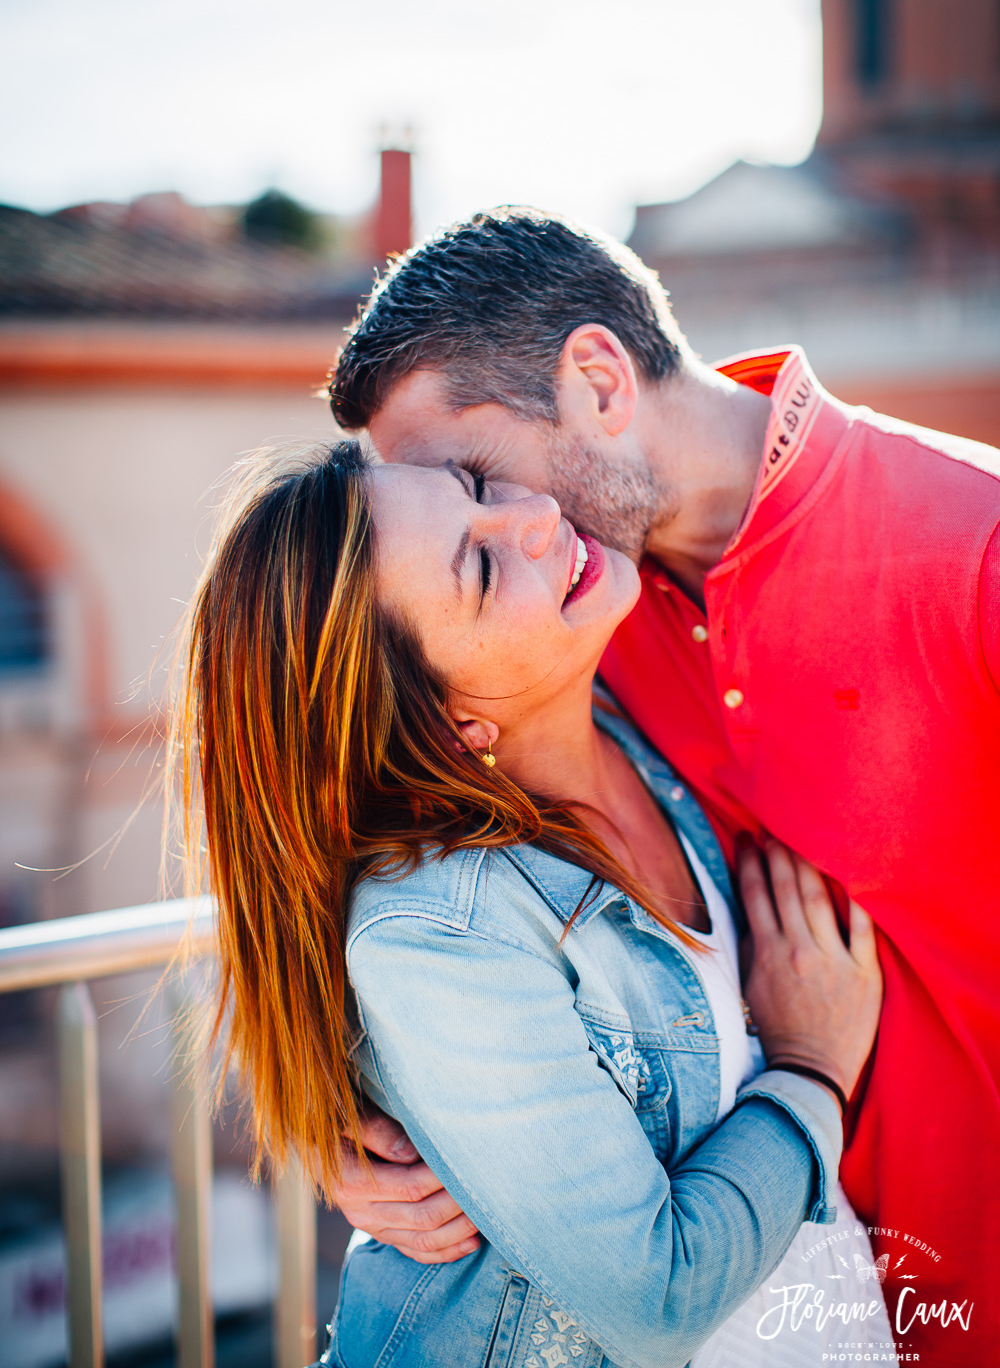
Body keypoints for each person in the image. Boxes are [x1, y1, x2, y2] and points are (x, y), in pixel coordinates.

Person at [326, 206, 1000, 1364]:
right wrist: (352, 1114)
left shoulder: (975, 547)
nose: (513, 527)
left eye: (477, 476)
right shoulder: (571, 624)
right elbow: (337, 823)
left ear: (598, 379)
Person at [173, 439, 888, 1368]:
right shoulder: (441, 932)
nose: (538, 515)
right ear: (449, 724)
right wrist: (811, 1070)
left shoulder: (639, 723)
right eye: (479, 564)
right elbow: (654, 1300)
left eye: (474, 487)